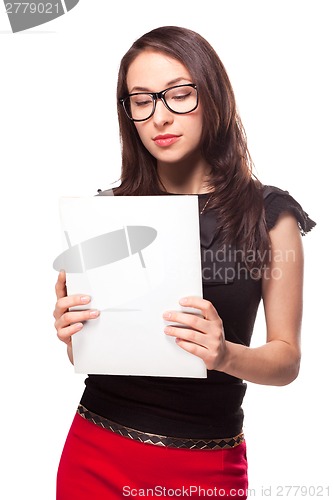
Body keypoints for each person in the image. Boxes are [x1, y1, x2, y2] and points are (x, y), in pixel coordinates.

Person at [53, 26, 316, 499]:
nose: (160, 117)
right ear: (128, 113)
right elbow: (90, 353)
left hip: (208, 465)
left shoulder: (271, 216)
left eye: (178, 95)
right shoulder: (107, 212)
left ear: (212, 96)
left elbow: (286, 360)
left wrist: (225, 355)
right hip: (97, 453)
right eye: (141, 100)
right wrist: (75, 333)